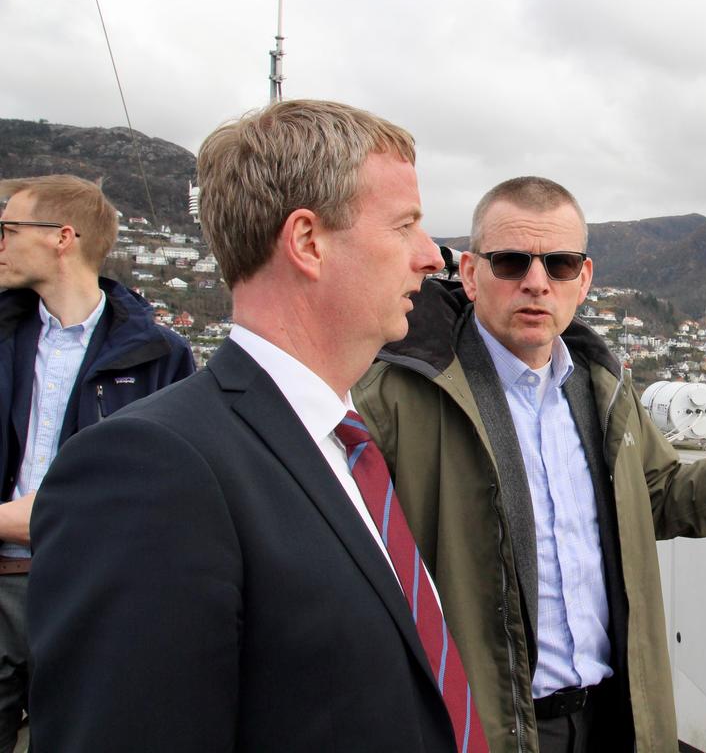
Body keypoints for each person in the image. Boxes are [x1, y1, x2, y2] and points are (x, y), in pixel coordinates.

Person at [28, 101, 487, 752]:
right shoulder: (152, 468)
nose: (431, 257)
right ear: (307, 242)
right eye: (405, 225)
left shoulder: (347, 448)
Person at [353, 176, 706, 753]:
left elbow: (664, 498)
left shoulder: (604, 390)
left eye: (560, 264)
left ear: (584, 278)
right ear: (470, 273)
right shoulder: (399, 397)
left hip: (615, 717)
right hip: (486, 729)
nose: (537, 282)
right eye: (511, 262)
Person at [0, 174, 195, 751]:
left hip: (94, 594)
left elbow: (169, 493)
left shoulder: (160, 355)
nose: (0, 243)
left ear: (62, 237)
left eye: (8, 230)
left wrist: (56, 516)